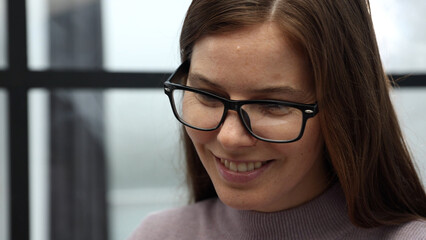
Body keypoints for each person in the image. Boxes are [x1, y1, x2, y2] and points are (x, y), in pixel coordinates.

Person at [129, 0, 426, 239]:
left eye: (272, 104)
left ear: (343, 109)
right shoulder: (157, 234)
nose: (230, 137)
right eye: (207, 95)